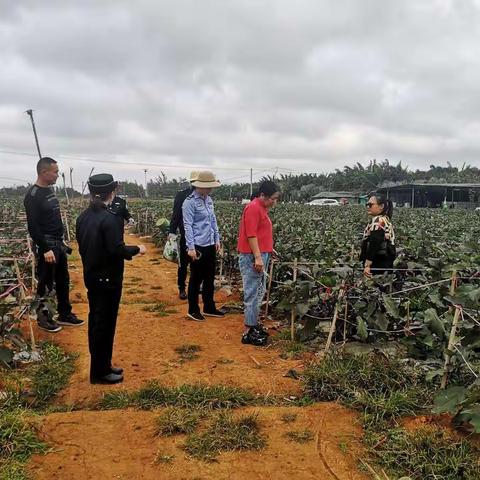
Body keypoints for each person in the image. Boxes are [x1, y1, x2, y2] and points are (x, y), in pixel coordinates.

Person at [76, 174, 146, 384]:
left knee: (97, 323)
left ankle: (102, 365)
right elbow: (116, 250)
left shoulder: (83, 217)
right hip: (108, 279)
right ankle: (99, 373)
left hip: (92, 276)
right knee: (105, 325)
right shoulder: (110, 218)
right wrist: (137, 249)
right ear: (112, 191)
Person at [24, 157, 83, 332]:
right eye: (55, 172)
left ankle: (65, 314)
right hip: (47, 245)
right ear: (44, 172)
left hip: (58, 243)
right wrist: (45, 248)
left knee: (63, 281)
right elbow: (33, 227)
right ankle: (44, 318)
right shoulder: (32, 196)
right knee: (46, 282)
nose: (58, 174)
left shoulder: (49, 190)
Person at [237, 181, 280, 346]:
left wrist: (269, 249)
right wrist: (257, 257)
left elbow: (261, 234)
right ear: (263, 195)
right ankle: (248, 331)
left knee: (258, 290)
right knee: (252, 292)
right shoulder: (254, 208)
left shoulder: (261, 208)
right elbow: (251, 235)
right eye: (273, 199)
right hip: (252, 256)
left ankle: (253, 325)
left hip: (260, 253)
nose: (274, 202)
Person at [182, 170, 224, 321]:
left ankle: (209, 307)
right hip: (198, 246)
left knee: (209, 277)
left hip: (210, 244)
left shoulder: (209, 200)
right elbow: (188, 226)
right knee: (196, 278)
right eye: (208, 187)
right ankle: (193, 309)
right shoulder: (189, 202)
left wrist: (217, 239)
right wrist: (191, 248)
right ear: (199, 186)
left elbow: (213, 221)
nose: (210, 189)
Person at [168, 171, 199, 300]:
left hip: (200, 236)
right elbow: (176, 214)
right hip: (186, 235)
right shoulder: (182, 195)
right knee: (184, 263)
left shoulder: (204, 196)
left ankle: (196, 287)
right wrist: (172, 231)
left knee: (197, 263)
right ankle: (182, 287)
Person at [360, 194, 396, 277]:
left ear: (381, 206)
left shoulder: (378, 220)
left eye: (370, 205)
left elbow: (375, 242)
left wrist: (368, 264)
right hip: (385, 260)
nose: (368, 207)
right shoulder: (385, 218)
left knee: (374, 287)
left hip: (377, 261)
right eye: (367, 204)